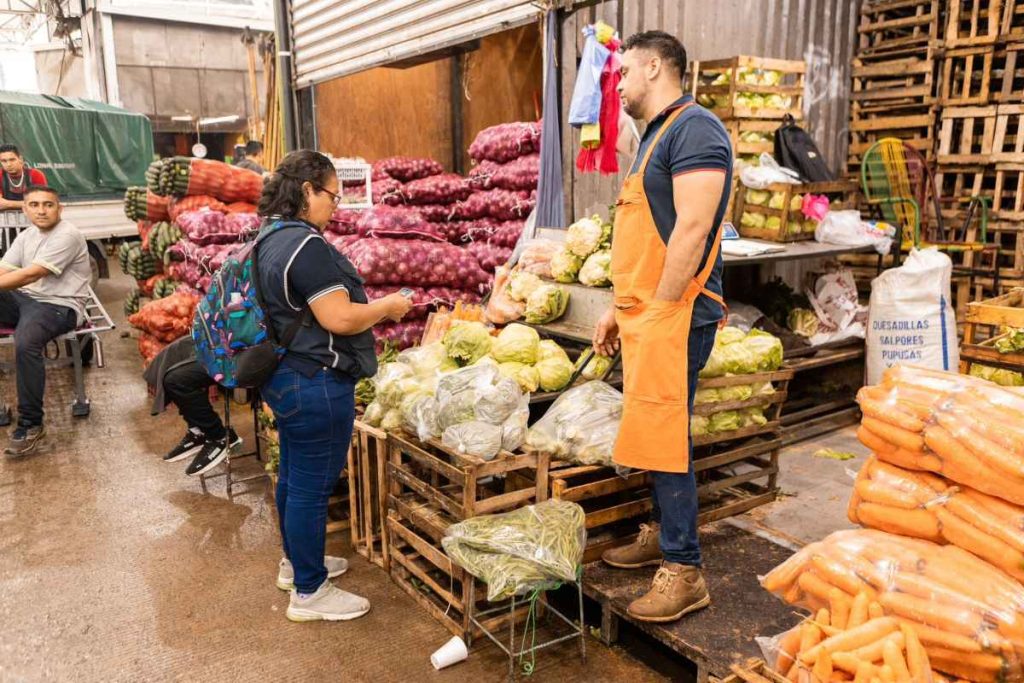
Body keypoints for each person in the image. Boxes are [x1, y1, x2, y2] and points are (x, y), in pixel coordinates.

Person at [592, 31, 732, 623]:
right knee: (655, 431)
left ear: (654, 66)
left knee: (667, 440)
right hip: (649, 314)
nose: (618, 84)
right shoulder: (656, 134)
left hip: (677, 316)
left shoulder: (696, 130)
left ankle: (684, 568)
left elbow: (693, 231)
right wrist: (619, 310)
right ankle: (661, 534)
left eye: (624, 72)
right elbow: (644, 239)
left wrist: (660, 312)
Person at [256, 150, 412, 621]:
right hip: (316, 380)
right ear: (307, 191)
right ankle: (309, 592)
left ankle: (297, 564)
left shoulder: (270, 237)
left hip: (284, 376)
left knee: (293, 478)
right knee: (310, 486)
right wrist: (387, 306)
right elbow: (339, 317)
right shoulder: (307, 247)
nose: (335, 205)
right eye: (330, 194)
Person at [0, 185, 91, 456]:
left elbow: (31, 275)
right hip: (26, 300)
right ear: (25, 209)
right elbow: (5, 268)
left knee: (25, 342)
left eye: (48, 205)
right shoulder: (27, 236)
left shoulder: (68, 235)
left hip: (59, 305)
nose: (41, 210)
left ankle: (31, 424)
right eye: (35, 205)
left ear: (59, 208)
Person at [144, 336, 242, 477]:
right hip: (221, 334)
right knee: (172, 352)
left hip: (240, 346)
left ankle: (220, 436)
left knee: (176, 380)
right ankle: (198, 430)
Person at [0, 144, 48, 210]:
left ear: (20, 159)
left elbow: (41, 201)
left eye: (12, 160)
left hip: (33, 217)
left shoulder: (36, 175)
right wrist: (29, 204)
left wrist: (8, 204)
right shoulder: (0, 175)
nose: (8, 164)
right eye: (4, 161)